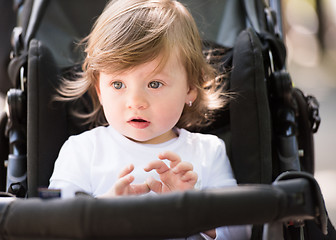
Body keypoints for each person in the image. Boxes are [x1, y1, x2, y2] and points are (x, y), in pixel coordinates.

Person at [49, 0, 249, 239]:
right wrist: (100, 212)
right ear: (100, 91)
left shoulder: (208, 152)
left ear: (190, 89)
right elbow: (52, 225)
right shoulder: (81, 151)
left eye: (154, 84)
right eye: (118, 84)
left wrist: (197, 211)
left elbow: (241, 233)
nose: (135, 101)